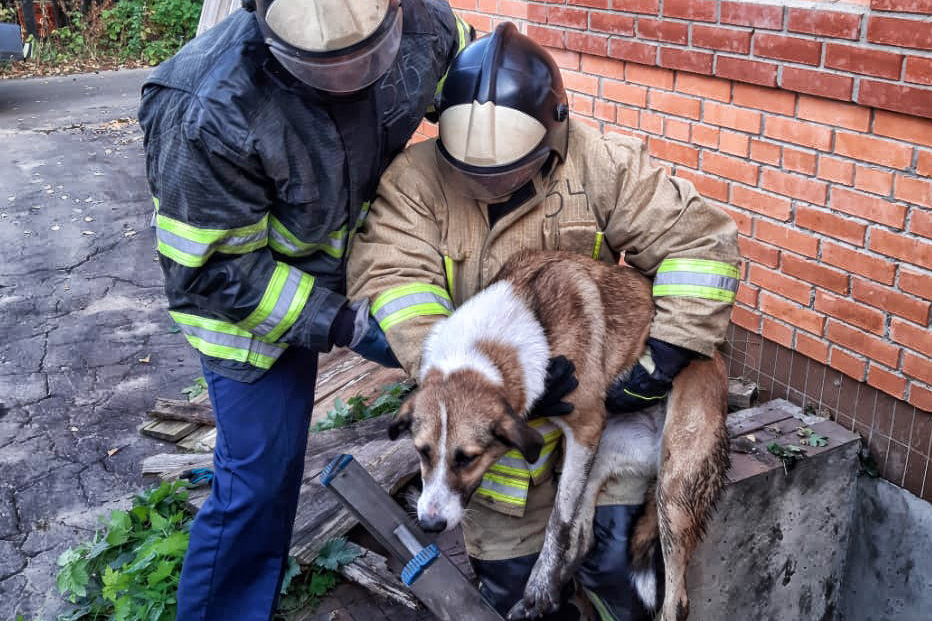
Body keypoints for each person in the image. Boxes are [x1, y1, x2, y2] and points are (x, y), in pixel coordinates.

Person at [347, 23, 740, 621]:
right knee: (520, 596)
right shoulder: (414, 183)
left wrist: (662, 356)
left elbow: (700, 243)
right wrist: (472, 380)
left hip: (608, 422)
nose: (488, 185)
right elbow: (394, 285)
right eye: (471, 173)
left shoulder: (599, 161)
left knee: (618, 576)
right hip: (502, 458)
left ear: (552, 135)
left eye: (506, 171)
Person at [137, 1, 474, 618]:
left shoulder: (426, 25)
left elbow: (471, 78)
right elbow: (213, 270)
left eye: (366, 63)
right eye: (327, 72)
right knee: (259, 481)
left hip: (351, 262)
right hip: (245, 317)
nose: (351, 84)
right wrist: (340, 321)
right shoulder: (204, 107)